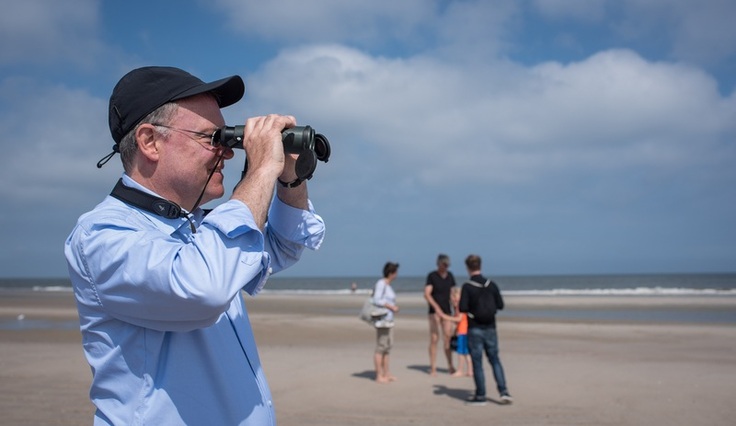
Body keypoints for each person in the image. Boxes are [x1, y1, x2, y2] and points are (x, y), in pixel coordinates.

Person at [64, 66, 325, 425]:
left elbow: (283, 244)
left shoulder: (198, 226)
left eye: (225, 138)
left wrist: (288, 179)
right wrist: (261, 169)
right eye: (211, 138)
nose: (227, 153)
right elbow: (204, 287)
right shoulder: (102, 234)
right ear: (150, 141)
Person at [459, 254, 512, 406]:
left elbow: (462, 307)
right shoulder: (491, 285)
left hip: (475, 327)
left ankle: (481, 395)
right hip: (491, 327)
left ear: (468, 268)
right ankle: (504, 392)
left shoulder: (467, 286)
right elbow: (500, 305)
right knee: (494, 359)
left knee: (477, 362)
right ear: (480, 266)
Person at [424, 253, 457, 375]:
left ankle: (450, 366)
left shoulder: (450, 276)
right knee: (434, 338)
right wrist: (436, 308)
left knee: (447, 337)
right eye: (444, 264)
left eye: (447, 265)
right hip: (434, 312)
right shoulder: (432, 276)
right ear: (438, 264)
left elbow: (453, 293)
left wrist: (456, 308)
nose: (446, 267)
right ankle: (433, 367)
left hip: (447, 311)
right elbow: (427, 294)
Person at [372, 262, 400, 383]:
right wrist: (391, 307)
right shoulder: (381, 283)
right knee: (381, 347)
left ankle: (386, 372)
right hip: (382, 320)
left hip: (389, 320)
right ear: (391, 273)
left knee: (388, 347)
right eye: (395, 272)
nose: (396, 275)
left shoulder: (388, 286)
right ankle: (379, 375)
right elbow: (376, 299)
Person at [441, 287, 472, 378]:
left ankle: (460, 370)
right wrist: (455, 330)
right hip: (463, 330)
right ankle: (470, 370)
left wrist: (446, 317)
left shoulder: (461, 306)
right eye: (452, 296)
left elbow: (459, 319)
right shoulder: (458, 307)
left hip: (463, 332)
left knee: (461, 352)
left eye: (456, 296)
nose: (454, 298)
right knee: (466, 352)